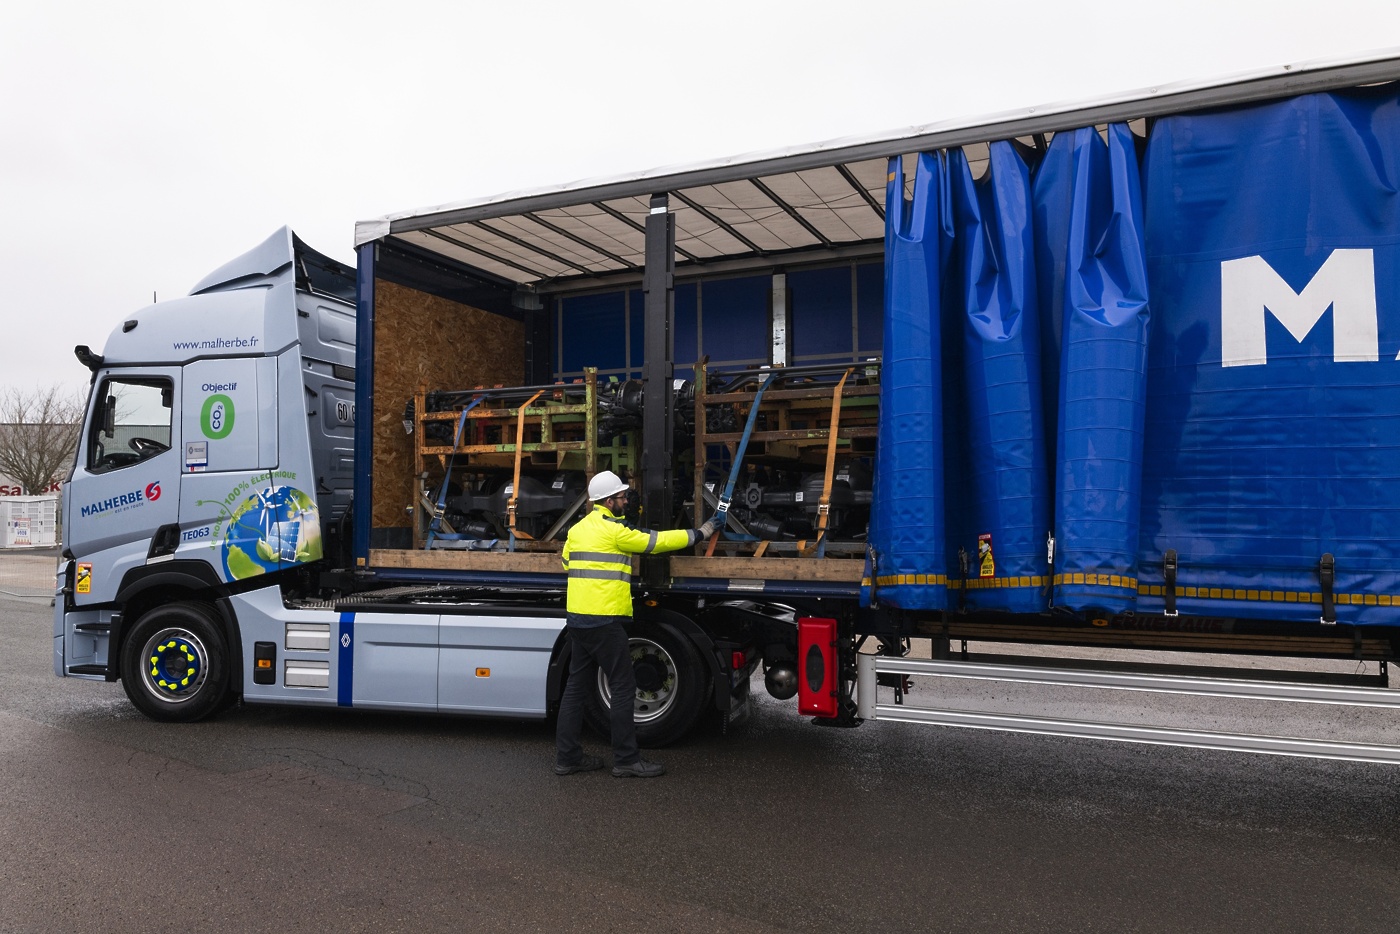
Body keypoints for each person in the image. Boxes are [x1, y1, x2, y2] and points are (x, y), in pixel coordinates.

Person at [554, 470, 719, 778]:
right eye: (621, 497)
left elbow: (566, 562)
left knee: (575, 688)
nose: (625, 501)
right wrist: (700, 532)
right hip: (604, 621)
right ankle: (626, 760)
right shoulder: (614, 531)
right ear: (607, 501)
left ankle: (568, 758)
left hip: (578, 619)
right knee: (623, 686)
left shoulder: (577, 530)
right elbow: (655, 542)